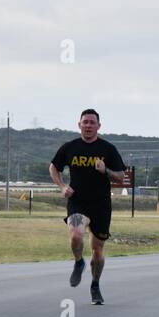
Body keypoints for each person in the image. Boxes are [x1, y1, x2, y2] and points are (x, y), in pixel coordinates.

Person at [48, 109, 127, 305]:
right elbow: (53, 167)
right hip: (78, 201)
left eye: (92, 122)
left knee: (97, 251)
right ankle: (78, 262)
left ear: (99, 126)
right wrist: (62, 186)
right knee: (75, 234)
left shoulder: (108, 149)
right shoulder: (70, 147)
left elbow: (120, 176)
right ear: (79, 125)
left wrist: (105, 170)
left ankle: (95, 285)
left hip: (100, 205)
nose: (89, 125)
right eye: (85, 122)